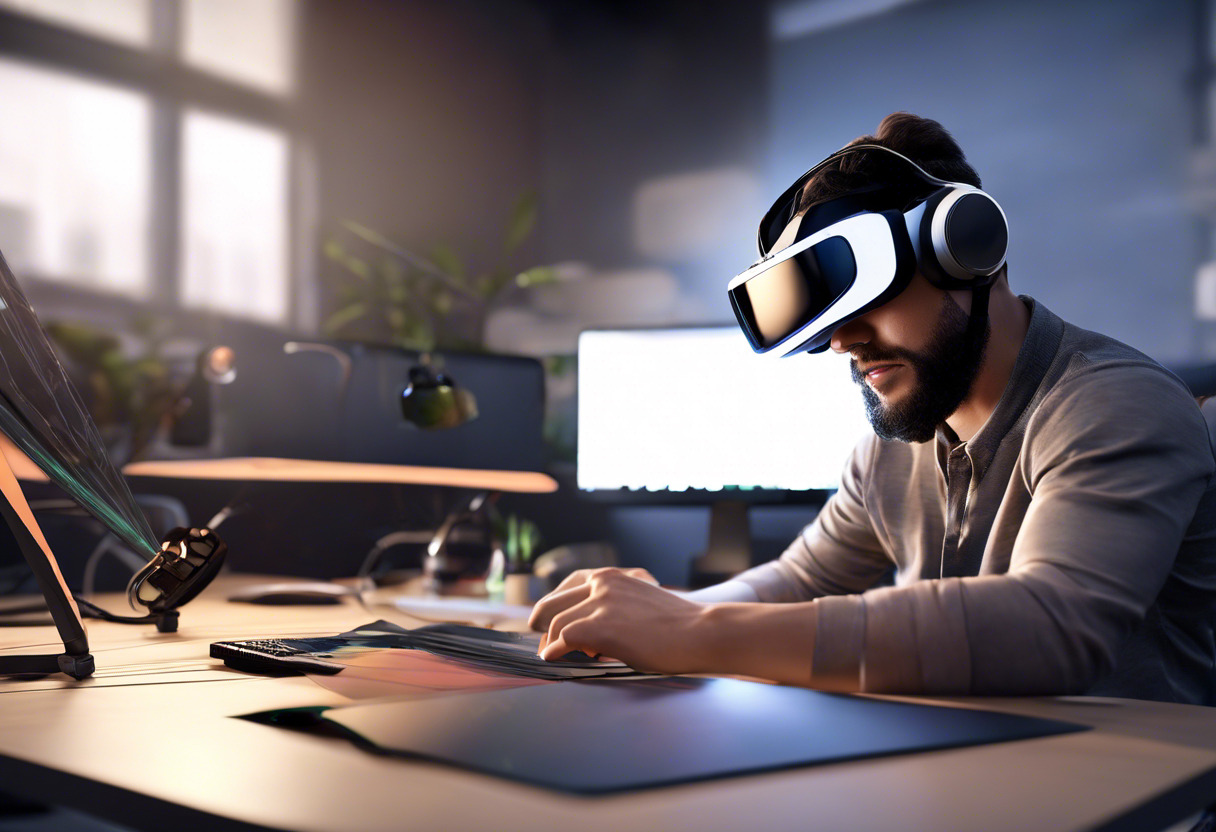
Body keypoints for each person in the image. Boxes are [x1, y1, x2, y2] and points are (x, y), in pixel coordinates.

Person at [528, 112, 1216, 703]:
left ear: (966, 250)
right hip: (961, 775)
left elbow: (1054, 625)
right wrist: (662, 610)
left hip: (1140, 794)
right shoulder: (894, 447)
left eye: (868, 297)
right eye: (827, 317)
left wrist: (694, 632)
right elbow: (799, 580)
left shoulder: (1114, 404)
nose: (841, 341)